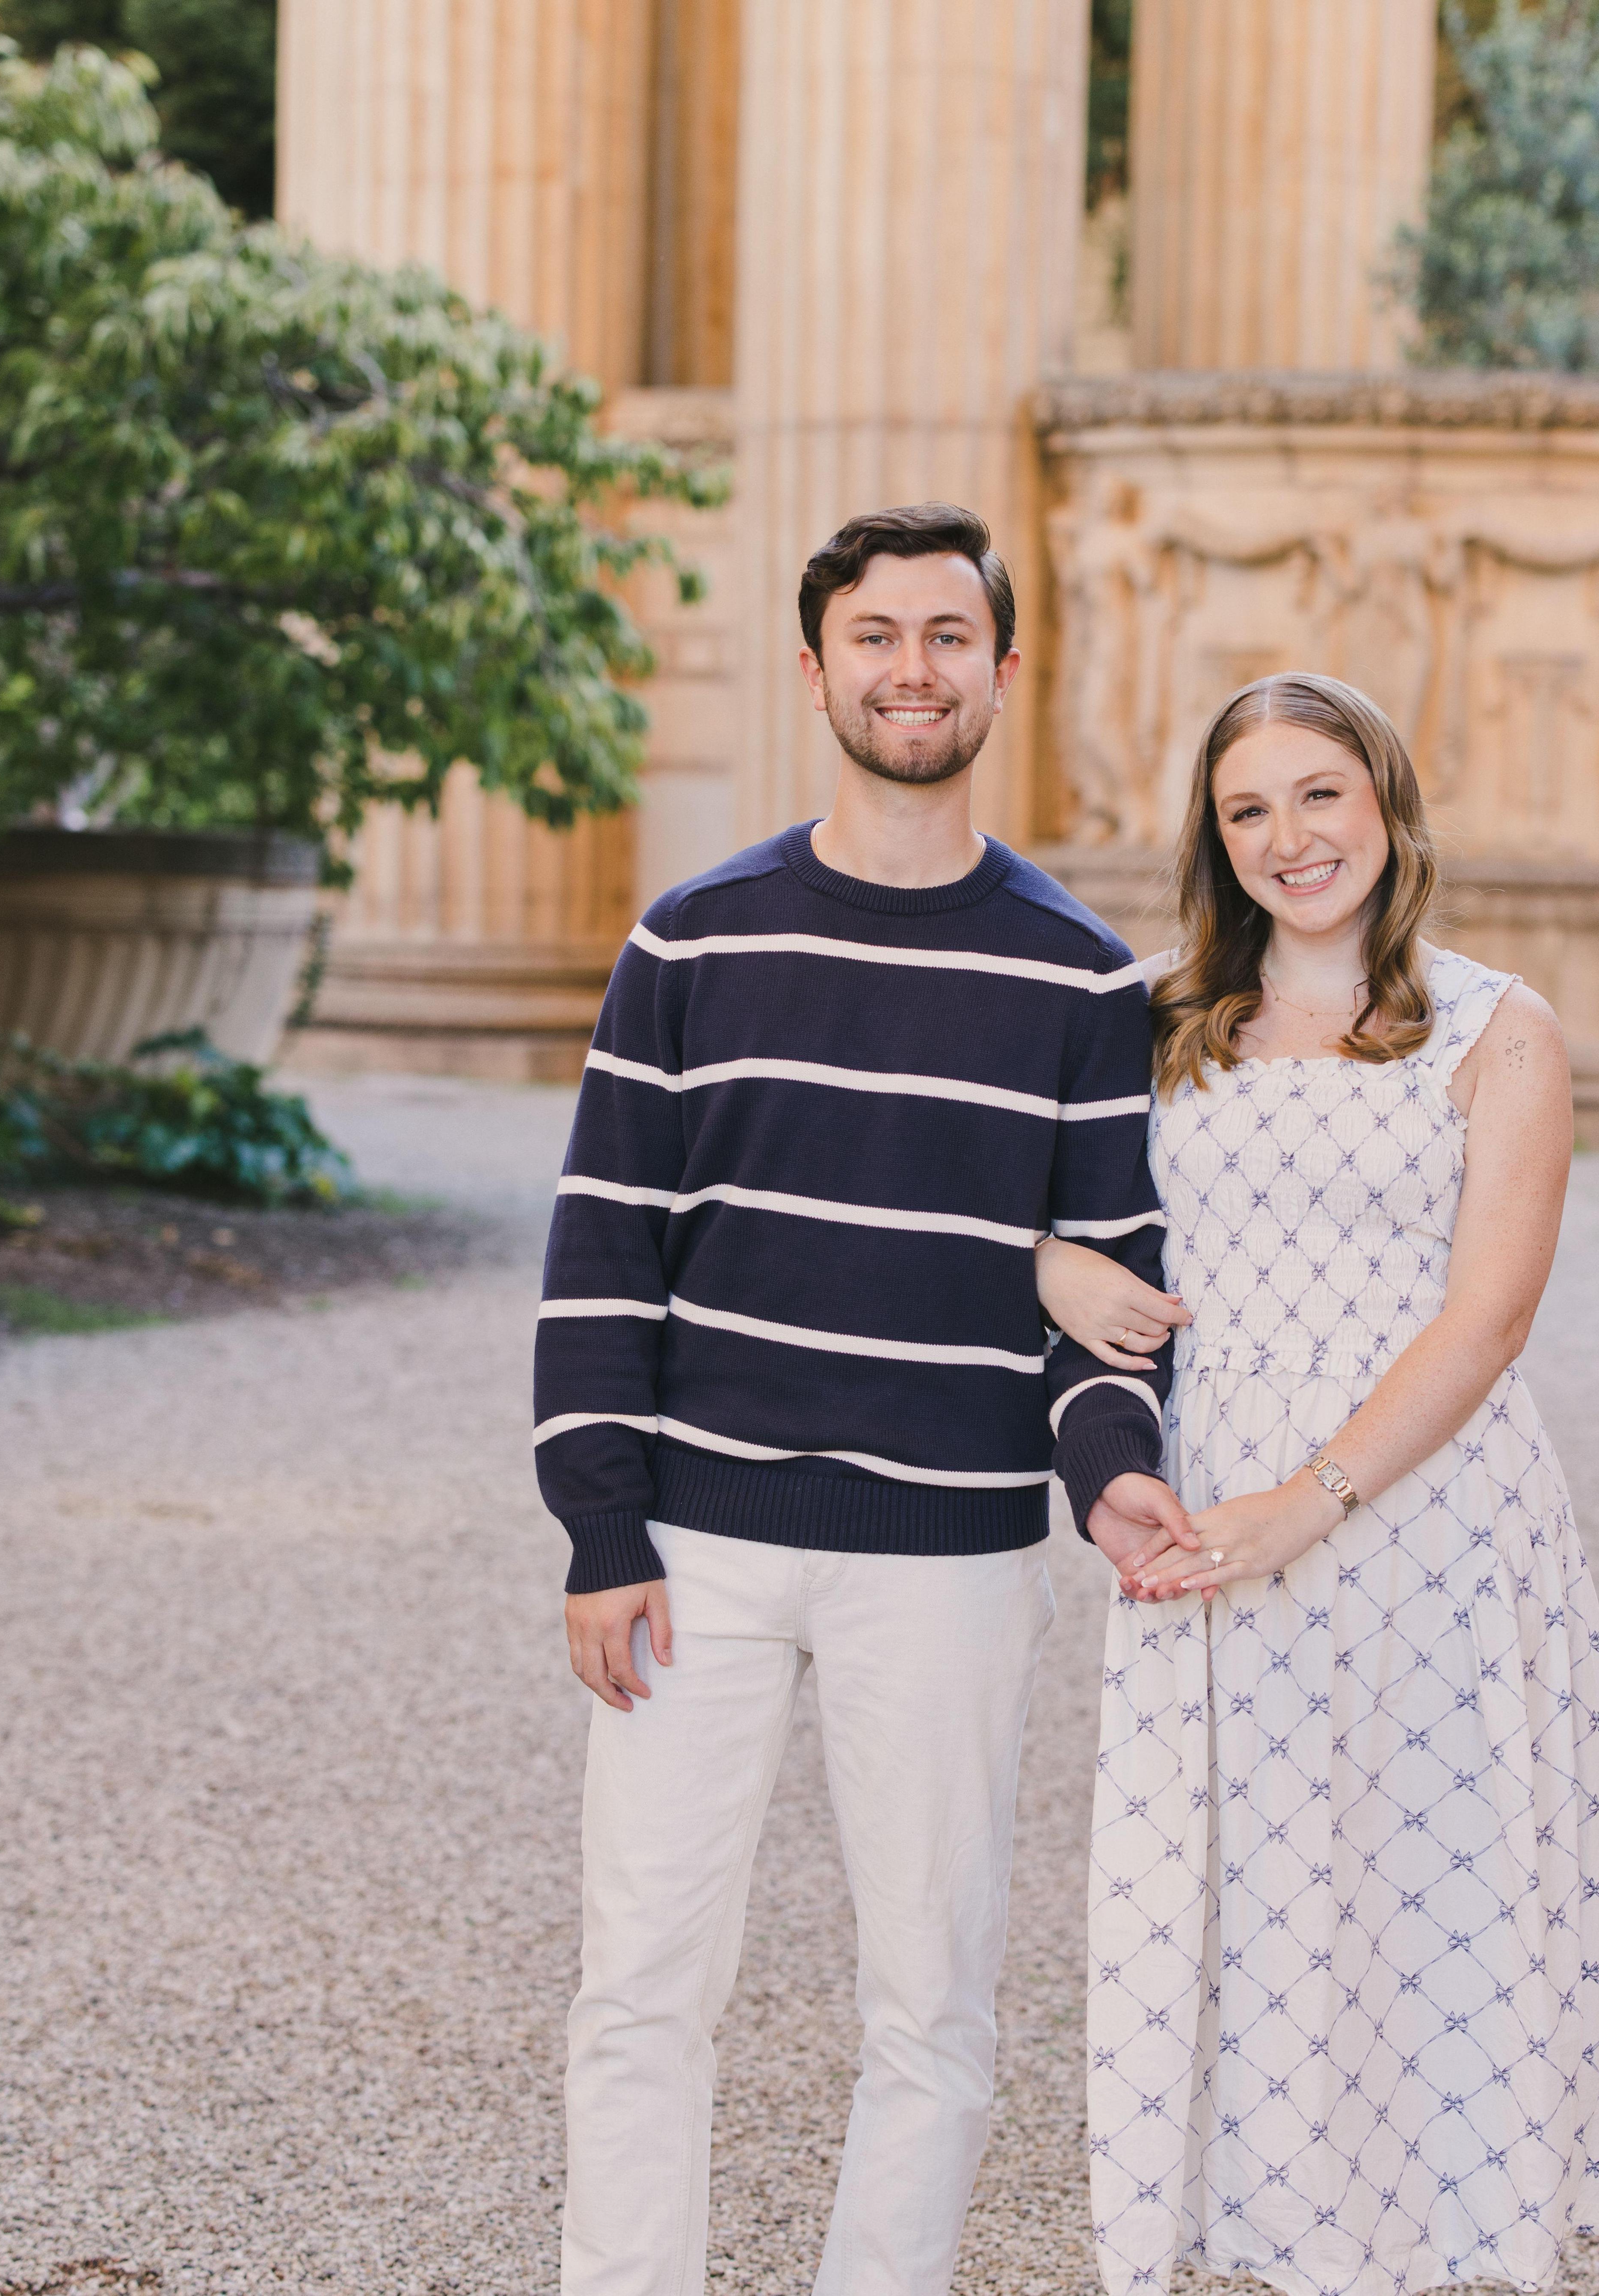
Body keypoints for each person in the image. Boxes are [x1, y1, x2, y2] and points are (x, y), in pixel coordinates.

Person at [530, 501, 1187, 2296]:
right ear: (816, 670)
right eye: (878, 637)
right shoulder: (691, 940)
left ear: (1004, 668)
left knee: (932, 2002)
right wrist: (599, 1526)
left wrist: (1114, 1475)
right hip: (692, 1548)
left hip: (955, 1558)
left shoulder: (1078, 975)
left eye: (948, 636)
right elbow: (604, 1254)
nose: (915, 669)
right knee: (645, 1980)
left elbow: (1108, 1289)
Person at [1038, 672, 1599, 2296]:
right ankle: (1275, 2237)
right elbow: (1042, 1219)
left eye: (1321, 794)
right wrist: (1051, 1270)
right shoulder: (1150, 1021)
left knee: (1420, 1888)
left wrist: (1304, 1505)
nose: (1290, 837)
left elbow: (1491, 1314)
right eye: (1249, 809)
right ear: (1213, 837)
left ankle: (1446, 2246)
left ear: (1385, 802)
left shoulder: (1494, 1026)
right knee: (1245, 1892)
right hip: (1204, 1493)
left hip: (1425, 1510)